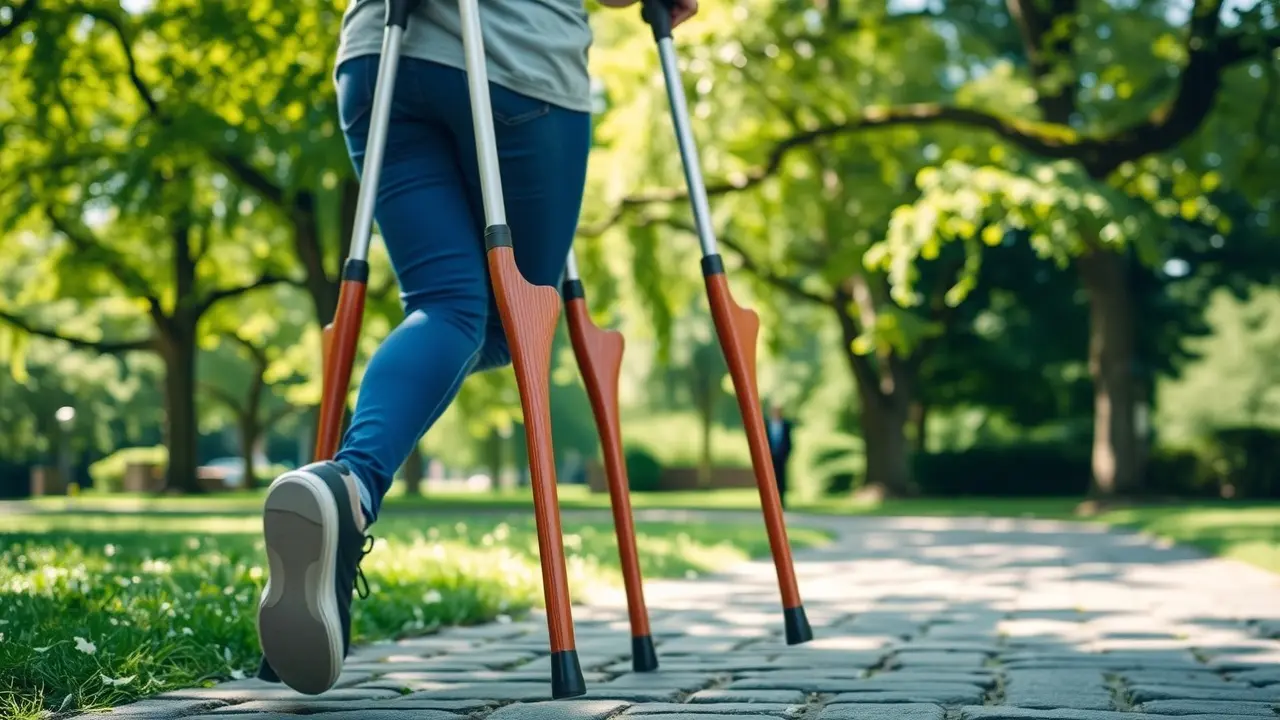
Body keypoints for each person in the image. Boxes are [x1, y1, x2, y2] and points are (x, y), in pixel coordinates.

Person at [254, 0, 699, 695]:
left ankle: (351, 487)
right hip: (514, 57)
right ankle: (348, 488)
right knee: (507, 321)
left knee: (447, 305)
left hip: (378, 49)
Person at [766, 402, 794, 510]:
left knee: (781, 480)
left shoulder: (786, 425)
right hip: (769, 458)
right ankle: (770, 502)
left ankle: (781, 502)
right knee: (769, 480)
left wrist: (786, 454)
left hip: (781, 457)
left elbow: (789, 441)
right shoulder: (767, 424)